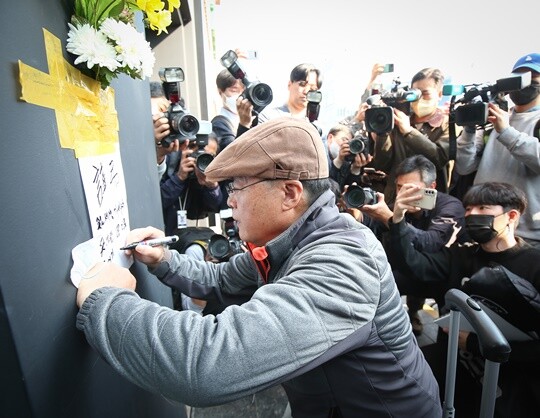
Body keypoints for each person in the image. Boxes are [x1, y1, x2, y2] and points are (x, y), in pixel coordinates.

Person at [75, 117, 442, 417]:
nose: (230, 200)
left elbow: (209, 364)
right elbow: (221, 278)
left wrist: (104, 300)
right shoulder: (293, 240)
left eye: (238, 186)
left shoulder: (340, 263)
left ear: (290, 193)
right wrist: (164, 258)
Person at [388, 181, 540, 416]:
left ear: (511, 216)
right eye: (468, 209)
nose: (472, 215)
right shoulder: (460, 256)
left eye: (483, 208)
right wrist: (397, 219)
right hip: (452, 372)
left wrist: (472, 343)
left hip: (512, 388)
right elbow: (412, 264)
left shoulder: (535, 265)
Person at [360, 155, 468, 335]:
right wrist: (359, 215)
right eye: (400, 188)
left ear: (431, 187)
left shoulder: (451, 206)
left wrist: (393, 219)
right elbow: (375, 226)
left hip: (444, 276)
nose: (405, 195)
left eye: (411, 189)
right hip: (409, 268)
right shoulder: (399, 203)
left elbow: (431, 242)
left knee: (448, 332)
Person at [455, 52, 540, 248]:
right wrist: (469, 129)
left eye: (531, 78)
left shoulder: (515, 123)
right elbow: (464, 166)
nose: (523, 85)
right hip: (483, 227)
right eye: (517, 79)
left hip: (525, 235)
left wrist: (507, 131)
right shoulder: (493, 120)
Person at [370, 67, 454, 207]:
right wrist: (383, 133)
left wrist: (409, 132)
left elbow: (440, 158)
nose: (419, 98)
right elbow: (382, 164)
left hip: (428, 203)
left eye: (425, 93)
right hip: (394, 200)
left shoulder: (448, 124)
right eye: (415, 93)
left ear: (439, 94)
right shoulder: (398, 120)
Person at [160, 133, 223, 235]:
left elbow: (212, 209)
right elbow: (157, 203)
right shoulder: (168, 164)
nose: (203, 160)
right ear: (187, 151)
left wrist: (212, 187)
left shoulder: (205, 177)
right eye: (199, 154)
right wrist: (179, 178)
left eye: (209, 156)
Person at [237, 63, 323, 135]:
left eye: (313, 89)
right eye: (302, 84)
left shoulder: (316, 127)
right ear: (289, 84)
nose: (306, 91)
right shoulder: (268, 118)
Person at [211, 69, 245, 151]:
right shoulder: (219, 124)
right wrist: (244, 124)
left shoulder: (254, 117)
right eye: (234, 90)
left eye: (243, 91)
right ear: (220, 92)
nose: (239, 96)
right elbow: (232, 154)